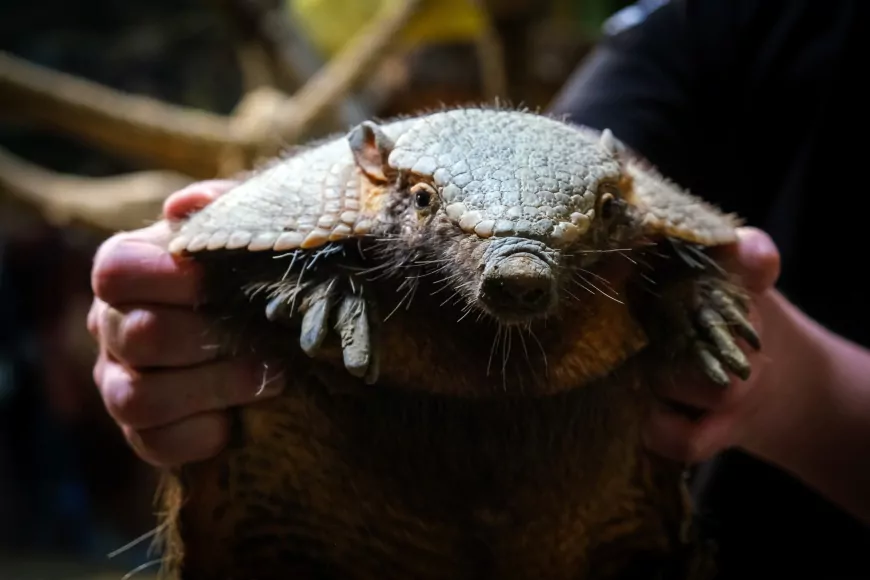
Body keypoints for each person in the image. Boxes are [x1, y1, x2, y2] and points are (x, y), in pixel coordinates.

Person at [87, 0, 870, 576]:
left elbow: (607, 193)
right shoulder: (706, 23)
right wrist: (206, 290)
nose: (518, 272)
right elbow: (538, 151)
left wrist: (788, 385)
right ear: (375, 172)